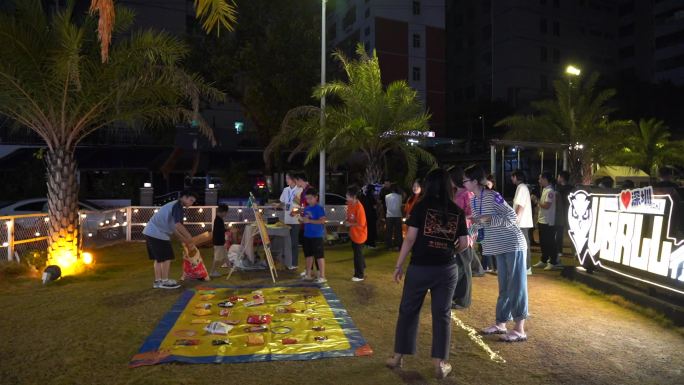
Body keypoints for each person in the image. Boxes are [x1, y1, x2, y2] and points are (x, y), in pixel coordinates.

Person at [387, 168, 469, 379]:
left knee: (408, 311)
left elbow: (410, 239)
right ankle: (440, 364)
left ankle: (397, 357)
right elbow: (463, 243)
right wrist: (450, 249)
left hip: (420, 268)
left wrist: (399, 265)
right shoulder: (456, 211)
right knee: (442, 315)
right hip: (446, 268)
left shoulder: (421, 206)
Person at [463, 165, 528, 342]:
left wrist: (488, 219)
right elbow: (479, 223)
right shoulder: (474, 200)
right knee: (504, 286)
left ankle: (520, 328)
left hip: (513, 243)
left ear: (475, 181)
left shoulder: (493, 196)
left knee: (516, 285)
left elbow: (513, 217)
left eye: (465, 180)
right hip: (497, 246)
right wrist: (469, 228)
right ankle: (501, 323)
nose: (463, 183)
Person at [143, 190, 197, 289]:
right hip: (156, 233)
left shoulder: (175, 205)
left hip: (152, 232)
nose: (191, 203)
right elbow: (178, 224)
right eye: (191, 200)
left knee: (160, 259)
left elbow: (174, 228)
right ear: (184, 197)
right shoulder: (177, 206)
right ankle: (164, 281)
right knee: (167, 258)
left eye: (193, 201)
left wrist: (183, 239)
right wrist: (189, 237)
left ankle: (158, 281)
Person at [449, 166, 483, 311]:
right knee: (461, 266)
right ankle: (459, 297)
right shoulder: (458, 193)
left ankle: (463, 300)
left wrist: (459, 216)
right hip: (460, 233)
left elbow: (473, 215)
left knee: (464, 267)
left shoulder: (466, 194)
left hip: (465, 234)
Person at [533, 172, 562, 270]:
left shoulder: (550, 191)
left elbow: (546, 205)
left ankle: (553, 261)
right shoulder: (546, 190)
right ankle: (544, 260)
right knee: (543, 242)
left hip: (548, 221)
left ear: (545, 179)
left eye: (540, 178)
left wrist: (536, 201)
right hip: (543, 220)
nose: (539, 180)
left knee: (549, 242)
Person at [299, 188, 327, 284]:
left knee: (319, 256)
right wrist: (302, 219)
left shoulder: (319, 208)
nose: (308, 200)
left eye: (310, 198)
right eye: (307, 199)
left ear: (316, 197)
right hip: (307, 235)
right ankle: (308, 274)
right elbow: (305, 219)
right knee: (308, 255)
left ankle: (322, 276)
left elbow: (322, 221)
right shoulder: (307, 208)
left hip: (317, 236)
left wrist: (310, 221)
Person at [276, 171, 302, 270]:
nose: (286, 180)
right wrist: (276, 205)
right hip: (287, 220)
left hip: (295, 220)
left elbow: (302, 204)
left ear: (293, 180)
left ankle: (294, 263)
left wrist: (297, 201)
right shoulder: (286, 190)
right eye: (286, 178)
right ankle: (287, 262)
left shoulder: (300, 190)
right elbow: (282, 203)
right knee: (286, 242)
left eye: (287, 178)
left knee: (294, 242)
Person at [511, 170, 533, 275]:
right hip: (522, 222)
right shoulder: (522, 188)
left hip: (522, 222)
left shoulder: (521, 188)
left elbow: (520, 206)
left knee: (523, 245)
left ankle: (527, 267)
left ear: (516, 177)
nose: (511, 179)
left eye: (512, 177)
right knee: (522, 244)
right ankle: (525, 267)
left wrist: (515, 220)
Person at [346, 186, 368, 282]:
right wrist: (347, 221)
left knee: (357, 255)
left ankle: (359, 275)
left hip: (360, 235)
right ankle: (362, 265)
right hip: (354, 234)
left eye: (348, 195)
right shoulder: (350, 204)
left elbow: (361, 223)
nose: (346, 197)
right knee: (357, 253)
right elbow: (349, 217)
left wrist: (350, 223)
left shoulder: (359, 207)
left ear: (354, 196)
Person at [555, 171, 573, 259]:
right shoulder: (572, 188)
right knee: (572, 233)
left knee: (559, 233)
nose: (557, 178)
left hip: (561, 213)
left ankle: (559, 251)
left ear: (561, 177)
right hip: (570, 212)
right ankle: (575, 251)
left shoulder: (558, 189)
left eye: (558, 176)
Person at [210, 204, 229, 277]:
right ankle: (212, 272)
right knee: (217, 259)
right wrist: (227, 229)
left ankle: (230, 269)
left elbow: (220, 230)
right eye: (226, 212)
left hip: (220, 241)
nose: (226, 214)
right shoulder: (218, 219)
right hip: (218, 242)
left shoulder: (219, 219)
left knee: (225, 256)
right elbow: (219, 230)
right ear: (223, 212)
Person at [385, 184, 403, 250]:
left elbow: (386, 205)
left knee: (389, 231)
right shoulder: (400, 196)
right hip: (398, 215)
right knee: (398, 231)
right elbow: (400, 205)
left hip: (389, 215)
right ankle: (398, 246)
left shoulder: (387, 196)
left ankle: (389, 246)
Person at [360, 184, 378, 248]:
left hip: (365, 216)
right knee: (372, 230)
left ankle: (366, 243)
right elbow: (374, 207)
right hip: (371, 216)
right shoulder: (371, 197)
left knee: (367, 230)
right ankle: (371, 244)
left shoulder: (364, 197)